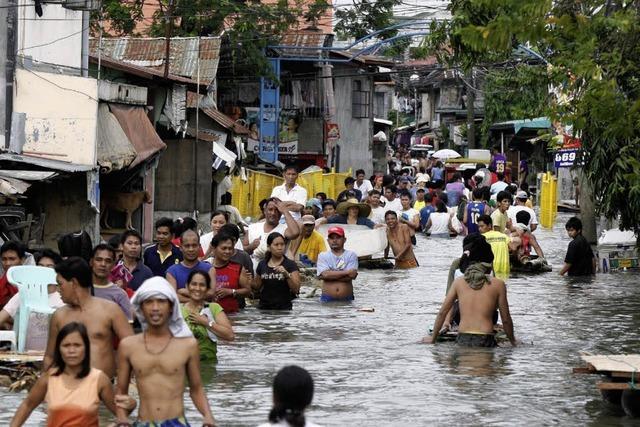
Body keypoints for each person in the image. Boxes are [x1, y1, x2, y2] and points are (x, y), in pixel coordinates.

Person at [116, 277, 217, 426]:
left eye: (161, 301)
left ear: (171, 307)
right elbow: (121, 391)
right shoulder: (128, 346)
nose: (155, 307)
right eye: (149, 302)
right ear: (141, 308)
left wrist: (208, 416)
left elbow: (196, 389)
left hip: (177, 423)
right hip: (144, 422)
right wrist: (122, 417)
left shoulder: (188, 345)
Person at [10, 322, 135, 427]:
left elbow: (120, 413)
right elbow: (27, 405)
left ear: (86, 348)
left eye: (77, 345)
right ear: (59, 349)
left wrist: (131, 405)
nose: (71, 351)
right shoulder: (49, 378)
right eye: (66, 345)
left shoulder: (99, 379)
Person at [45, 257, 133, 379]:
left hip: (103, 387)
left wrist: (121, 387)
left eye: (60, 284)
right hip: (67, 387)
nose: (58, 290)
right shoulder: (59, 316)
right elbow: (50, 356)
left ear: (74, 283)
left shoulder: (110, 310)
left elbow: (131, 347)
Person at [423, 234, 516, 347]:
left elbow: (442, 312)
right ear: (489, 262)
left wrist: (433, 339)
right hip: (485, 338)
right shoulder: (498, 284)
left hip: (462, 338)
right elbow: (505, 318)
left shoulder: (458, 282)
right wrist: (513, 342)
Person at [0, 249, 64, 330]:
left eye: (49, 267)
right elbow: (3, 316)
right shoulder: (24, 294)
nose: (43, 271)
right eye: (40, 266)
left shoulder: (64, 299)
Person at [181, 270, 234, 362]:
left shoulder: (214, 308)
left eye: (202, 285)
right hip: (182, 365)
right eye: (194, 284)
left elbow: (230, 336)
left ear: (207, 289)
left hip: (209, 365)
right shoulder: (177, 310)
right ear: (187, 286)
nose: (197, 288)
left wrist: (206, 322)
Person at [244, 198, 301, 265]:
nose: (273, 213)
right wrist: (251, 247)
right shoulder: (253, 227)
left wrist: (285, 211)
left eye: (277, 210)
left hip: (276, 270)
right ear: (265, 211)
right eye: (270, 209)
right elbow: (243, 249)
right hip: (254, 269)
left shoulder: (284, 229)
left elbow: (295, 233)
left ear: (280, 213)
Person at [254, 232, 301, 310]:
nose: (280, 247)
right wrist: (248, 279)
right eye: (276, 245)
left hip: (284, 309)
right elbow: (257, 287)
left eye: (282, 244)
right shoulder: (262, 264)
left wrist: (286, 275)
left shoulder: (290, 264)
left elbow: (296, 289)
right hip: (264, 308)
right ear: (269, 247)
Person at [209, 233, 252, 313]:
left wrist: (231, 292)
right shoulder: (206, 268)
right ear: (214, 248)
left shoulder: (238, 268)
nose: (227, 251)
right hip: (210, 315)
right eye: (224, 248)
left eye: (230, 248)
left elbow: (248, 291)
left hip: (233, 315)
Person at [90, 244, 132, 320]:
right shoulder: (81, 290)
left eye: (108, 261)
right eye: (99, 259)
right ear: (91, 262)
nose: (103, 264)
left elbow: (127, 327)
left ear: (113, 265)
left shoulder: (120, 295)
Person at [316, 227, 358, 302]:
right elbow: (326, 275)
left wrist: (329, 275)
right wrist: (347, 272)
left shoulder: (351, 255)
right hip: (327, 298)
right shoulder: (322, 255)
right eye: (331, 238)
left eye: (338, 237)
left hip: (347, 298)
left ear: (344, 240)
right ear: (328, 241)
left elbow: (351, 276)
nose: (334, 241)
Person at [166, 230, 213, 294]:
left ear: (199, 246)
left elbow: (211, 293)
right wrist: (199, 296)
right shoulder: (172, 272)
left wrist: (184, 292)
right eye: (187, 246)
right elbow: (173, 297)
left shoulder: (209, 269)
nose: (191, 249)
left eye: (194, 245)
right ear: (181, 247)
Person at [110, 230, 153, 294]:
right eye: (129, 243)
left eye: (137, 244)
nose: (133, 247)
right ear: (122, 246)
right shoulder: (113, 268)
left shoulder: (146, 272)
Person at [478, 214, 511, 279]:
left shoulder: (482, 238)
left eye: (482, 226)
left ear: (489, 225)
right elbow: (513, 247)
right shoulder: (503, 236)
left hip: (490, 271)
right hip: (505, 270)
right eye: (478, 226)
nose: (479, 229)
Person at [0, 241, 24, 309]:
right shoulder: (1, 283)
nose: (7, 263)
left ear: (22, 260)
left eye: (12, 259)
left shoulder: (31, 283)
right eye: (4, 259)